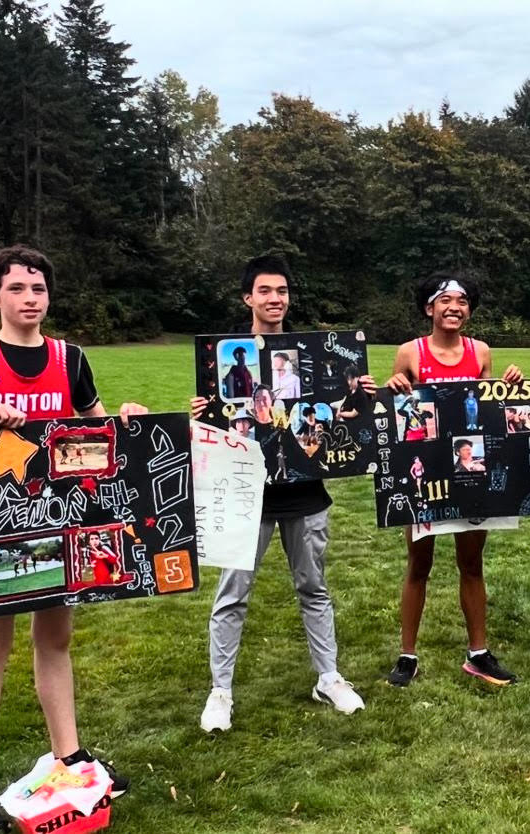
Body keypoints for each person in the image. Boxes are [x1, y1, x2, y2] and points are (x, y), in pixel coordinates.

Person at [0, 245, 145, 833]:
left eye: (37, 289)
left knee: (56, 640)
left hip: (62, 521)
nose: (30, 299)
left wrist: (126, 421)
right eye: (16, 289)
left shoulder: (71, 358)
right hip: (1, 532)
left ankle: (70, 756)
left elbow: (94, 432)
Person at [190, 254, 375, 731]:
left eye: (283, 291)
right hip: (246, 493)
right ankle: (220, 691)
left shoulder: (315, 357)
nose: (276, 299)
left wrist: (360, 393)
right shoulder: (223, 357)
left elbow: (338, 413)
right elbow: (216, 424)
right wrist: (203, 412)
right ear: (248, 297)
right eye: (266, 291)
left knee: (313, 587)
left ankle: (328, 677)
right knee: (233, 594)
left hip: (306, 494)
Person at [384, 271, 524, 687]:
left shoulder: (480, 351)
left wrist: (506, 388)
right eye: (445, 300)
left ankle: (478, 653)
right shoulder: (410, 352)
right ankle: (407, 655)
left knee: (471, 562)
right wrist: (394, 389)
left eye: (462, 301)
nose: (454, 307)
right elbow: (400, 415)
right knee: (418, 563)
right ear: (429, 308)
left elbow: (483, 410)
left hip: (468, 474)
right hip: (425, 473)